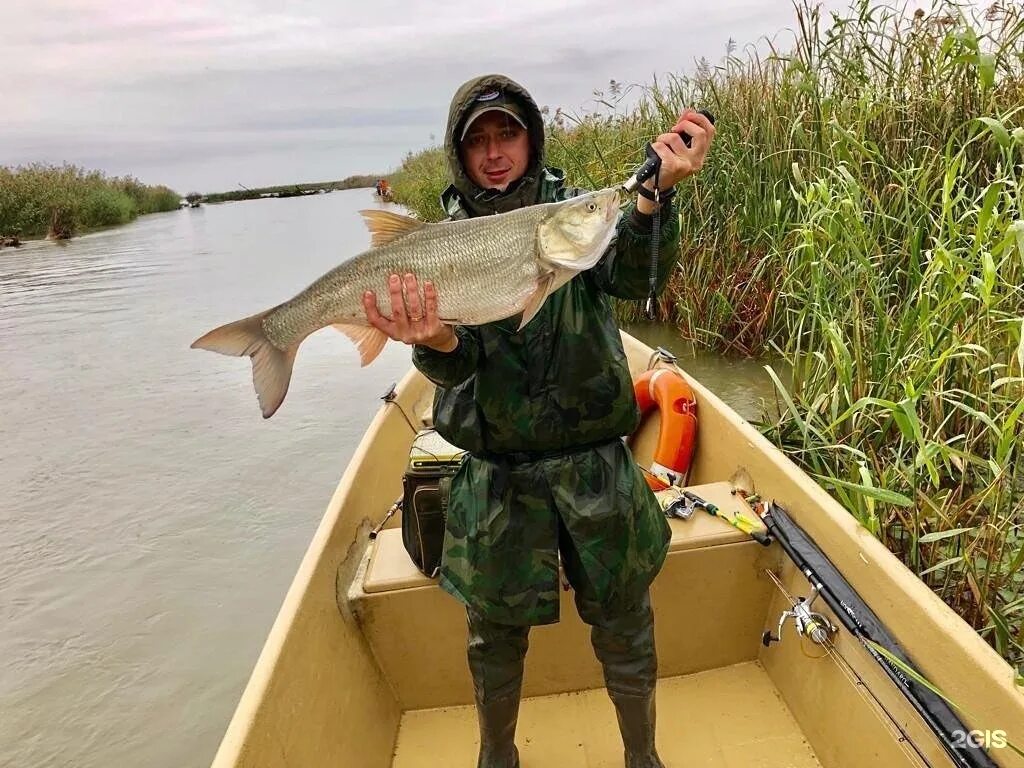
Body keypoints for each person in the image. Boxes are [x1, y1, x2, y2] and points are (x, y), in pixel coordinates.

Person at [362, 74, 714, 768]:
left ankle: (643, 757)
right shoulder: (444, 243)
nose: (494, 152)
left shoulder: (573, 218)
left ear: (530, 137)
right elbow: (458, 367)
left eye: (507, 133)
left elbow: (636, 278)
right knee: (493, 639)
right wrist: (432, 341)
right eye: (478, 140)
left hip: (596, 467)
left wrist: (655, 196)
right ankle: (497, 758)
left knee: (625, 625)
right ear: (459, 155)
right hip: (497, 479)